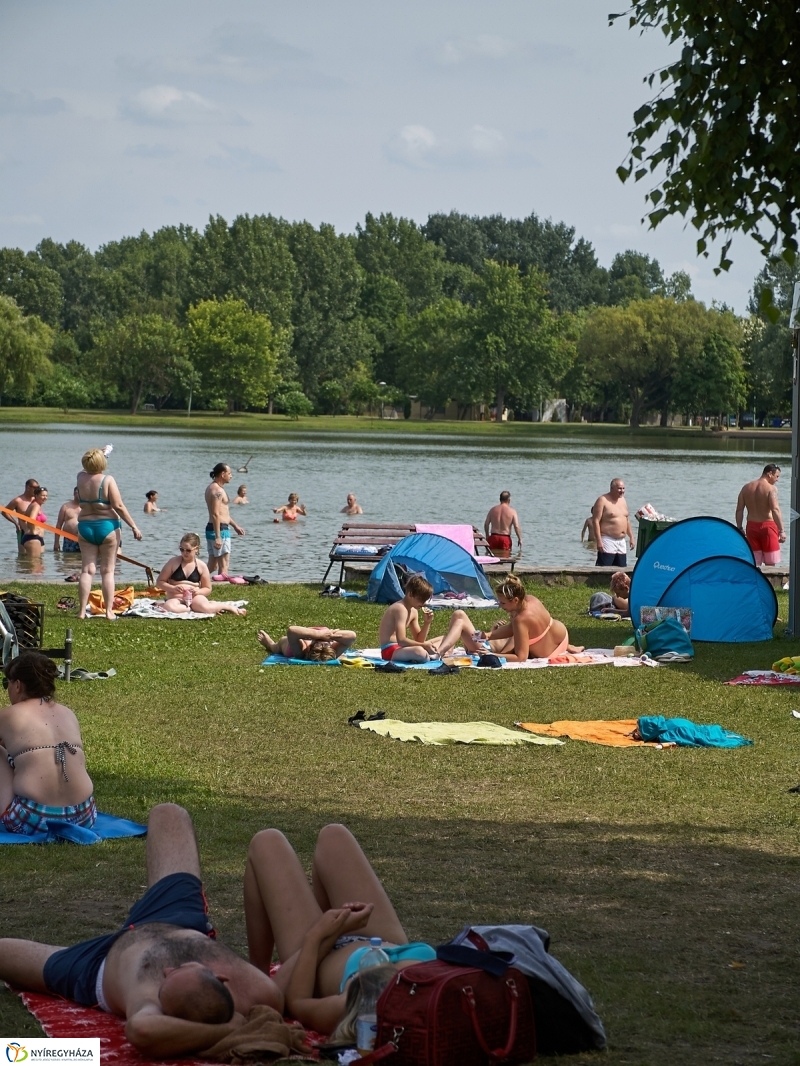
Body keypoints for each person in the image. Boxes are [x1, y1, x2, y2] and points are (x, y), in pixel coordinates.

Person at [0, 804, 284, 1056]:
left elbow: (142, 1031)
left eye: (165, 983)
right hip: (175, 916)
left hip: (98, 966)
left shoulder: (149, 996)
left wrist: (226, 1032)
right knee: (168, 814)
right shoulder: (253, 988)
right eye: (181, 972)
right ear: (221, 977)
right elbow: (274, 996)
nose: (167, 971)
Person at [244, 823, 436, 1035]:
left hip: (318, 954)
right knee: (334, 835)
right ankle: (320, 918)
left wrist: (324, 933)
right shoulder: (441, 992)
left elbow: (297, 1002)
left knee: (266, 842)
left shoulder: (362, 1007)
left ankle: (259, 978)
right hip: (383, 941)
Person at [0, 651, 96, 834]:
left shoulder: (8, 715)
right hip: (84, 816)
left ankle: (4, 813)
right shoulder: (68, 713)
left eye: (8, 683)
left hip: (33, 818)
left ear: (18, 685)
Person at [435, 575, 583, 661]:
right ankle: (443, 650)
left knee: (458, 615)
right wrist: (488, 635)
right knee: (459, 616)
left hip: (486, 648)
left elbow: (521, 657)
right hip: (562, 638)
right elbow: (512, 630)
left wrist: (492, 654)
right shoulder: (532, 600)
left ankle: (440, 653)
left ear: (515, 600)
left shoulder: (521, 621)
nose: (500, 606)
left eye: (503, 602)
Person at [76, 448, 143, 621]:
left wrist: (101, 453)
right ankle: (108, 612)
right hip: (107, 526)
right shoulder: (108, 480)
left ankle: (82, 612)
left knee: (87, 570)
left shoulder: (80, 477)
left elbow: (88, 468)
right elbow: (118, 506)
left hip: (85, 526)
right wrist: (134, 526)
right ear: (102, 463)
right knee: (107, 571)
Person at [376, 574, 475, 663]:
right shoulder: (400, 609)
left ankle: (435, 654)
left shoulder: (413, 611)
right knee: (420, 652)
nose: (424, 603)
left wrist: (427, 623)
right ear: (410, 594)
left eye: (425, 600)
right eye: (421, 599)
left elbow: (419, 639)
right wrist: (424, 646)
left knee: (446, 639)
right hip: (391, 650)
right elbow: (401, 640)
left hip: (403, 648)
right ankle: (431, 656)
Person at [156, 534, 247, 616]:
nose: (184, 553)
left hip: (195, 597)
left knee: (206, 608)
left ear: (196, 549)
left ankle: (227, 607)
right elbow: (160, 582)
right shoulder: (173, 562)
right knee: (170, 607)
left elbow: (207, 588)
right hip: (176, 597)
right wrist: (173, 588)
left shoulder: (201, 566)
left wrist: (197, 592)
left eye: (188, 550)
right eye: (181, 549)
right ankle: (190, 609)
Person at [736, 463, 786, 565]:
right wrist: (781, 530)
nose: (777, 480)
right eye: (777, 476)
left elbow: (739, 510)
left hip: (751, 528)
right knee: (770, 564)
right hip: (768, 528)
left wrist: (740, 528)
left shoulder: (746, 488)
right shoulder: (771, 489)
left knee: (754, 563)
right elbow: (775, 510)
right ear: (769, 474)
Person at [205, 464, 245, 579]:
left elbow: (223, 514)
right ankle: (221, 587)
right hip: (220, 530)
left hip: (212, 527)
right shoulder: (218, 491)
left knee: (212, 565)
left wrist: (235, 525)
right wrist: (218, 536)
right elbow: (216, 514)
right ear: (223, 474)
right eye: (229, 473)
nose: (231, 476)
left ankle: (194, 580)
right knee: (224, 565)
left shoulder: (211, 487)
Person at [591, 479, 634, 566]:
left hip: (621, 541)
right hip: (607, 539)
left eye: (623, 488)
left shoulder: (623, 500)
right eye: (619, 488)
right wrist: (599, 541)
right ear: (612, 488)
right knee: (605, 568)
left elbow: (626, 519)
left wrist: (631, 537)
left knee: (621, 570)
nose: (622, 491)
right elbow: (595, 521)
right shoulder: (602, 500)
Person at [257, 625, 356, 662]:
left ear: (311, 647)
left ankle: (269, 644)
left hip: (289, 646)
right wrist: (330, 635)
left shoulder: (302, 650)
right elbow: (352, 636)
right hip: (311, 636)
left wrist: (319, 634)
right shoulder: (332, 650)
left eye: (319, 641)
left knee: (276, 648)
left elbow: (292, 630)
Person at [4, 478, 39, 549]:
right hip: (23, 531)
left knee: (36, 556)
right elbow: (5, 512)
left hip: (35, 531)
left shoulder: (36, 501)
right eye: (35, 488)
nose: (37, 490)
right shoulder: (18, 500)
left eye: (38, 488)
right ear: (28, 487)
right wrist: (15, 523)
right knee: (23, 556)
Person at [19, 486, 49, 555]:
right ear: (36, 495)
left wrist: (26, 529)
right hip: (33, 538)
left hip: (35, 538)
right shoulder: (36, 506)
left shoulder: (34, 504)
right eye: (43, 495)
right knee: (35, 563)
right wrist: (33, 531)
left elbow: (23, 518)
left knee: (37, 563)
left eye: (46, 496)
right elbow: (31, 520)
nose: (45, 498)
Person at [54, 488, 81, 553]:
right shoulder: (65, 506)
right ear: (74, 494)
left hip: (83, 540)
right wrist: (56, 542)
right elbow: (59, 525)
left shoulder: (87, 507)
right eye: (78, 493)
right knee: (68, 560)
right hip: (69, 539)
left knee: (82, 561)